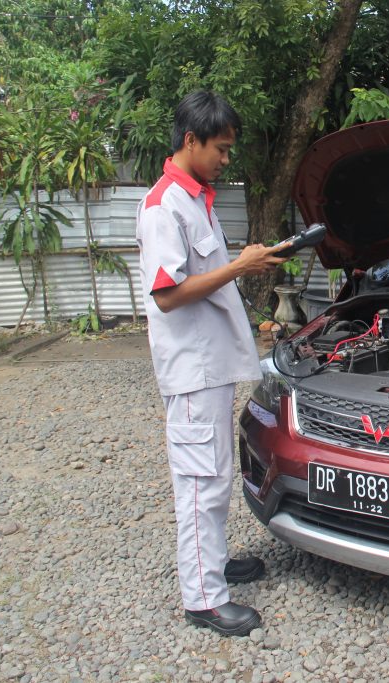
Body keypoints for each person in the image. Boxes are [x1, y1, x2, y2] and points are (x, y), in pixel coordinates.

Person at [136, 90, 286, 637]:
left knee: (216, 474)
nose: (227, 158)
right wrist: (240, 266)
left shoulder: (195, 197)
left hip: (211, 365)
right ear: (190, 140)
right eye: (220, 148)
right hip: (192, 370)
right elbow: (168, 294)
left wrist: (247, 262)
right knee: (200, 479)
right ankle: (203, 599)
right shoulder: (162, 207)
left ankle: (213, 566)